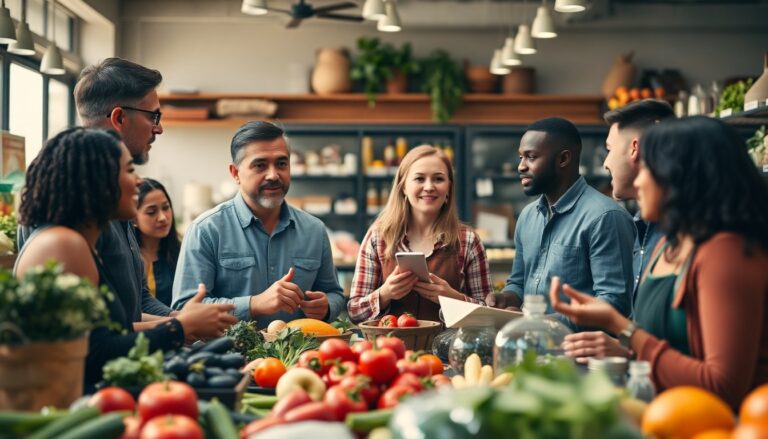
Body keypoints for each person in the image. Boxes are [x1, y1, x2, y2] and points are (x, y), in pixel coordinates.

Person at [550, 116, 768, 409]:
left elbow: (722, 386)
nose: (638, 181)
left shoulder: (726, 254)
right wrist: (624, 351)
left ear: (680, 176)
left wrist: (623, 329)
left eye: (647, 169)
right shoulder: (668, 245)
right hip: (664, 414)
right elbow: (672, 350)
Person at [15, 127, 236, 390]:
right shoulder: (63, 245)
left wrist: (181, 322)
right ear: (99, 179)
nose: (139, 180)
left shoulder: (76, 242)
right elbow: (95, 355)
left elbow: (107, 337)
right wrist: (179, 327)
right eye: (130, 170)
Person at [18, 58, 170, 328]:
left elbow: (134, 304)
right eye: (153, 116)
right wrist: (180, 328)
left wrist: (181, 320)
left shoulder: (114, 193)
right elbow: (91, 337)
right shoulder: (68, 198)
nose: (159, 128)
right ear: (119, 118)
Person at [172, 121, 345, 328]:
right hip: (229, 349)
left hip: (299, 348)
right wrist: (253, 304)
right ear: (235, 173)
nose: (273, 175)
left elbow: (334, 293)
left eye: (281, 164)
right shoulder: (206, 230)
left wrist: (326, 307)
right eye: (260, 165)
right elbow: (185, 309)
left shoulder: (314, 230)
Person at [486, 117, 635, 329]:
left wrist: (541, 324)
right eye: (521, 157)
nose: (521, 166)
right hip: (530, 343)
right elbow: (518, 283)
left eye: (531, 157)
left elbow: (614, 304)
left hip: (580, 348)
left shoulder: (605, 217)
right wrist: (505, 298)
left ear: (563, 159)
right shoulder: (527, 217)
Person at [563, 99, 675, 361]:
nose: (605, 163)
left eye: (609, 149)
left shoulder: (692, 240)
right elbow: (649, 332)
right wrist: (623, 345)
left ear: (635, 148)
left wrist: (623, 343)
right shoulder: (644, 226)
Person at [347, 145, 492, 323]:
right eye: (419, 179)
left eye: (438, 179)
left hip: (449, 342)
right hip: (390, 342)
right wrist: (384, 294)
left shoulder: (468, 240)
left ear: (449, 188)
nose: (429, 187)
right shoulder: (378, 236)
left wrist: (453, 298)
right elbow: (354, 313)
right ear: (403, 187)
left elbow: (488, 315)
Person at [133, 178, 181, 307]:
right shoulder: (127, 258)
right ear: (134, 218)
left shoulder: (182, 252)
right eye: (151, 212)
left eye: (166, 207)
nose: (163, 217)